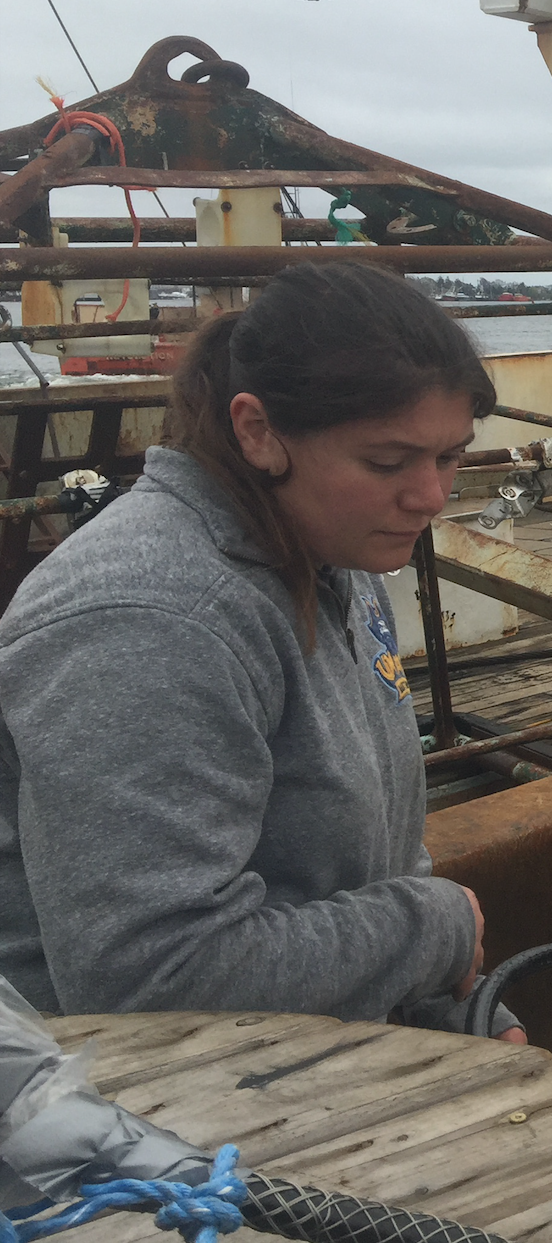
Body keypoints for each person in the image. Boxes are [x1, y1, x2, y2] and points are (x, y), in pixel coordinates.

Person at [0, 261, 524, 1039]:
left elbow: (374, 862)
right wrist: (434, 931)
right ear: (258, 431)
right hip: (119, 1121)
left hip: (290, 1071)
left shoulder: (330, 550)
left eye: (449, 456)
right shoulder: (152, 621)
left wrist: (455, 1003)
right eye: (387, 462)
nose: (431, 497)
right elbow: (150, 980)